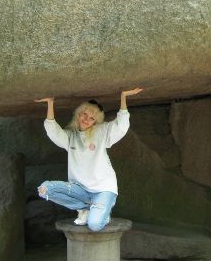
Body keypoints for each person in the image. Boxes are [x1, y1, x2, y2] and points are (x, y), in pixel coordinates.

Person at [35, 88, 143, 231]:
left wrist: (123, 96)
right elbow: (53, 131)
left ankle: (103, 212)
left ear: (95, 122)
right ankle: (86, 208)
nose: (86, 119)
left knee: (94, 225)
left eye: (92, 118)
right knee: (45, 189)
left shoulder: (101, 131)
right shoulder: (70, 135)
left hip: (103, 190)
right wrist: (50, 102)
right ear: (78, 114)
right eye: (84, 114)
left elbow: (121, 126)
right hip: (80, 190)